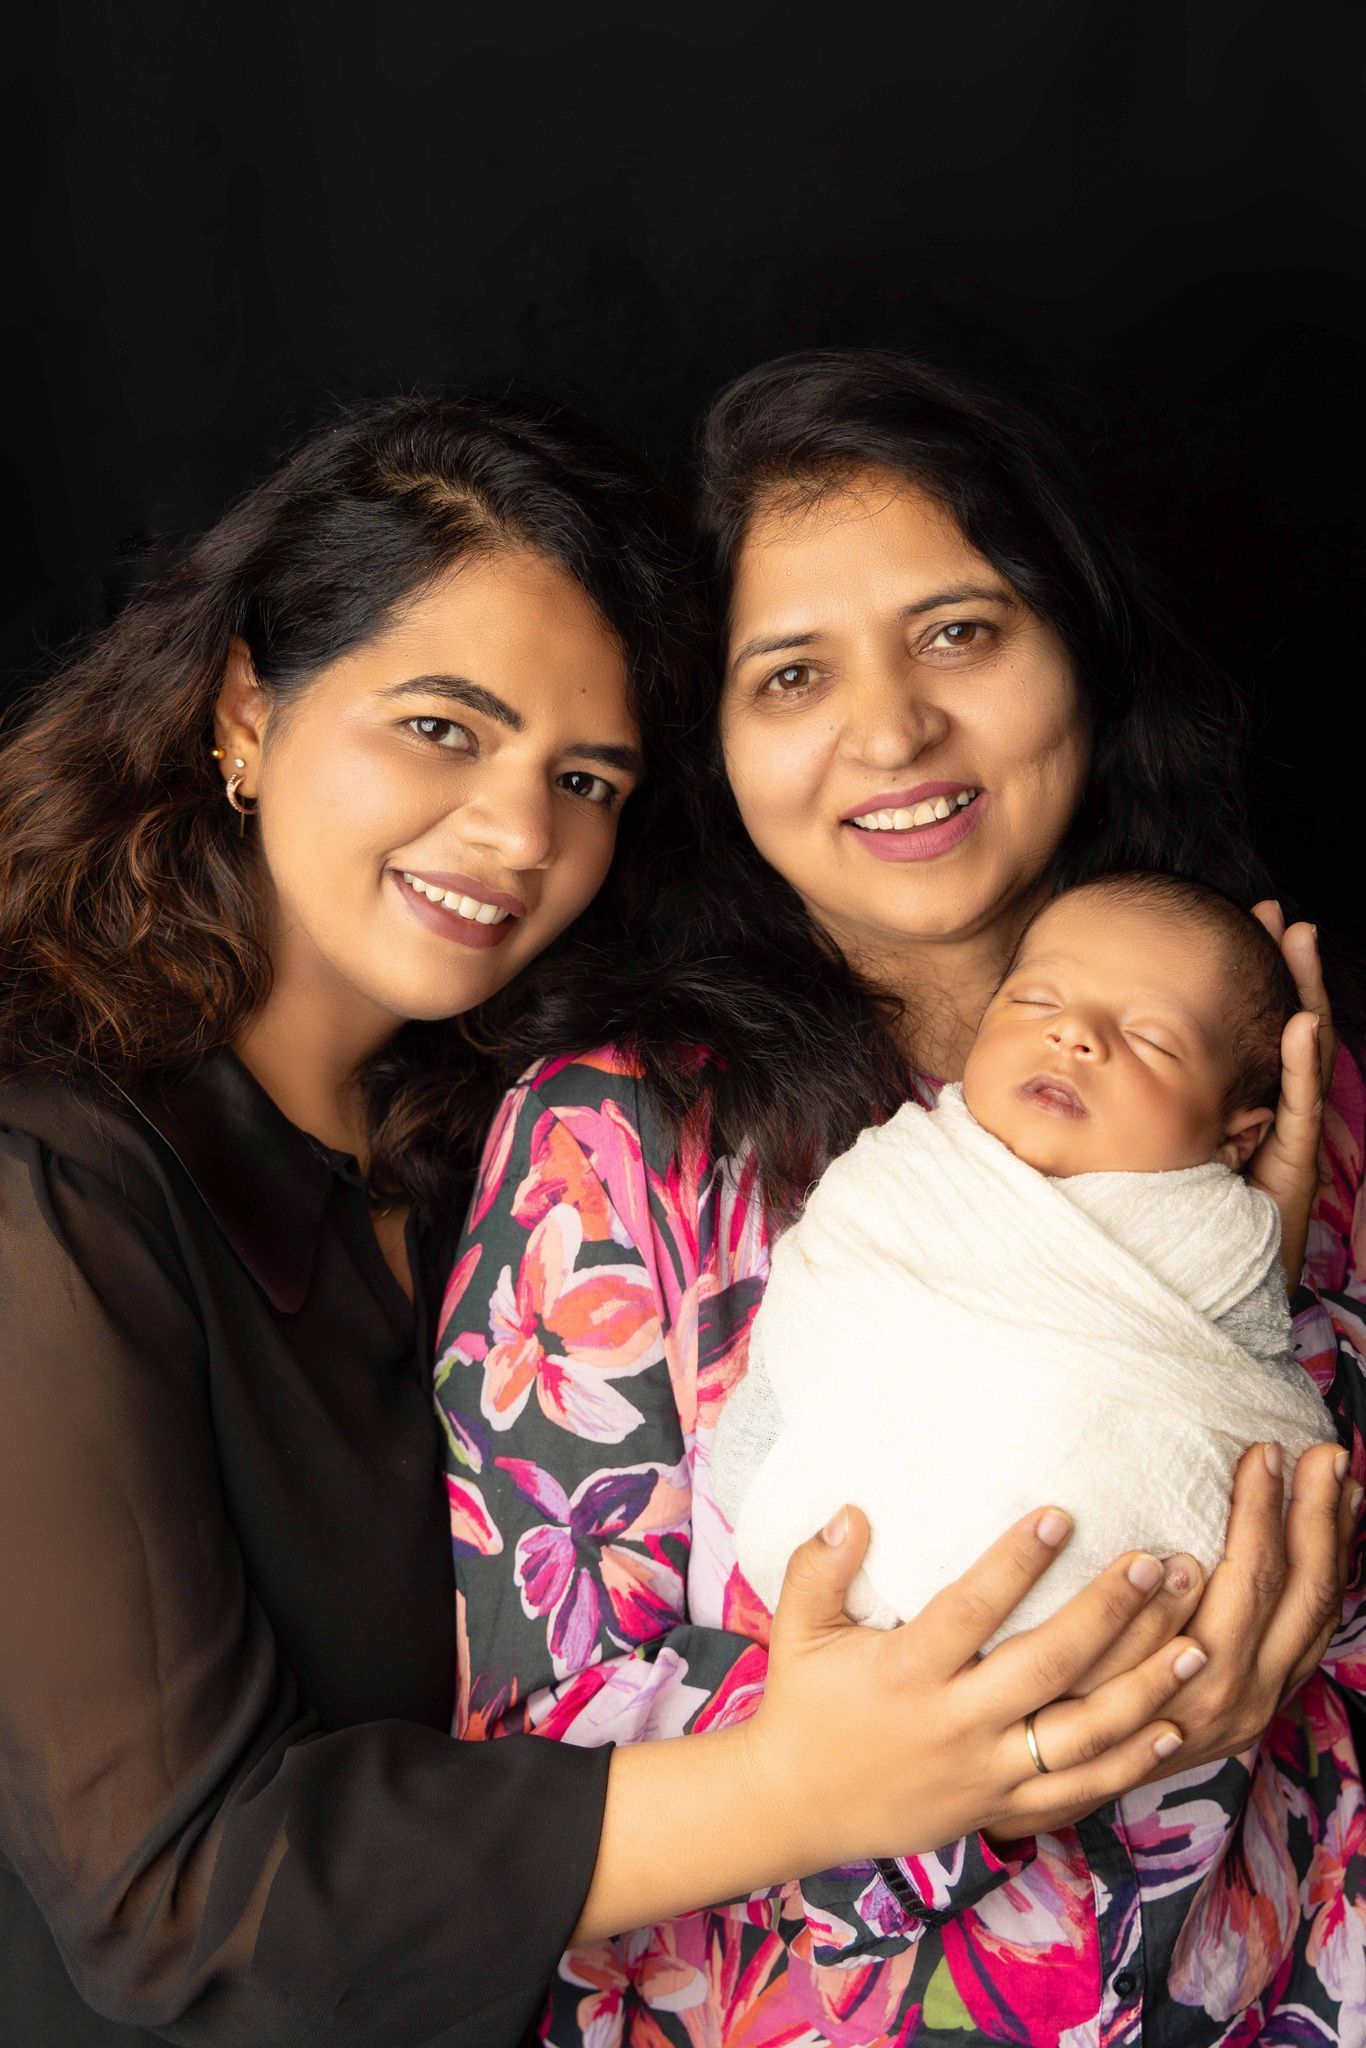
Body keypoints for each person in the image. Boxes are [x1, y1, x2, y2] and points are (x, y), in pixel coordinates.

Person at [0, 390, 1205, 2048]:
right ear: (246, 712)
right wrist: (806, 1778)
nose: (518, 834)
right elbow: (177, 1902)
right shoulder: (50, 1192)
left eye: (583, 776)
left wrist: (1193, 1268)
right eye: (441, 726)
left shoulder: (468, 1125)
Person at [436, 352, 1361, 2045]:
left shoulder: (1284, 1093)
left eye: (957, 631)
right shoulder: (610, 1141)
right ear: (712, 742)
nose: (890, 730)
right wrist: (1003, 1740)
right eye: (792, 673)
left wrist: (1263, 1348)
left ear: (1075, 642)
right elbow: (542, 1751)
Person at [716, 873, 1339, 1645]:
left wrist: (1259, 1260)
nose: (1073, 1034)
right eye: (1036, 1001)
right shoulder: (898, 1174)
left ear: (1235, 1138)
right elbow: (805, 1339)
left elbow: (1242, 1407)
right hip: (841, 1576)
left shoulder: (1218, 1237)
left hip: (1119, 1614)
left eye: (1151, 1039)